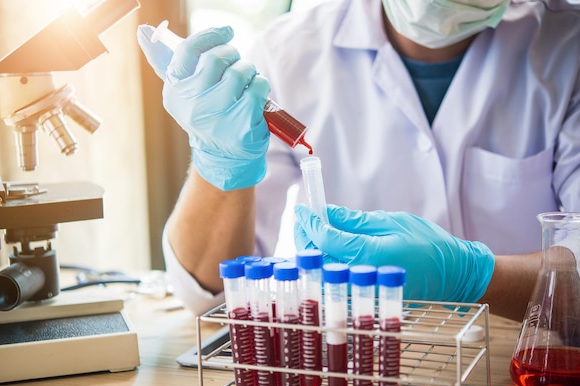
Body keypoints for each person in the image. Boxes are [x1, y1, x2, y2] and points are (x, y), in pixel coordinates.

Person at [137, 0, 580, 321]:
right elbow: (212, 297)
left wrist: (474, 277)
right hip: (359, 366)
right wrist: (220, 162)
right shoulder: (291, 49)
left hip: (522, 369)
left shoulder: (567, 49)